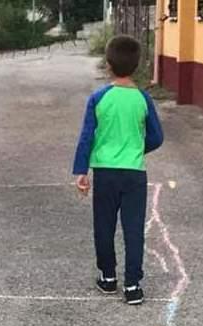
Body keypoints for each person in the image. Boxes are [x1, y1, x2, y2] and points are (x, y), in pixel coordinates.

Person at [72, 35, 164, 305]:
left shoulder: (99, 97)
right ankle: (133, 284)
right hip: (134, 171)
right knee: (133, 228)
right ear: (137, 65)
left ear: (108, 64)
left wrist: (81, 171)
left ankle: (108, 276)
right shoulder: (143, 99)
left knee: (104, 224)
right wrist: (136, 149)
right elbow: (157, 137)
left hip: (105, 171)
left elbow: (87, 137)